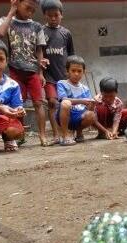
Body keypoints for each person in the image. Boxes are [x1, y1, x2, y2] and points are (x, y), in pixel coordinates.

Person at [0, 0, 49, 146]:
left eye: (33, 10)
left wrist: (41, 73)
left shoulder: (37, 26)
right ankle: (20, 135)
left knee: (38, 103)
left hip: (33, 72)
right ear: (17, 4)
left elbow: (39, 50)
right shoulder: (6, 20)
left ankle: (43, 136)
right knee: (18, 104)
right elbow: (0, 32)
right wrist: (12, 11)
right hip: (15, 70)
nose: (30, 12)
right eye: (27, 8)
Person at [40, 0, 74, 144]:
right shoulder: (41, 32)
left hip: (64, 76)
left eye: (56, 15)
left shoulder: (66, 33)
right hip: (49, 76)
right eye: (49, 16)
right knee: (53, 103)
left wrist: (71, 75)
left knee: (66, 104)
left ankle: (67, 132)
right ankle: (56, 135)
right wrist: (40, 73)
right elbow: (39, 54)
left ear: (61, 15)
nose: (53, 18)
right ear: (44, 15)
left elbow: (71, 55)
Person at [56, 55, 95, 145]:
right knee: (66, 103)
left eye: (79, 71)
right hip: (65, 116)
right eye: (73, 71)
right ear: (67, 71)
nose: (76, 74)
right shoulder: (62, 83)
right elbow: (63, 99)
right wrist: (81, 101)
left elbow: (89, 108)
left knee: (91, 114)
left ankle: (79, 132)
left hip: (78, 117)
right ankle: (65, 135)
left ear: (83, 72)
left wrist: (93, 103)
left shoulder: (85, 88)